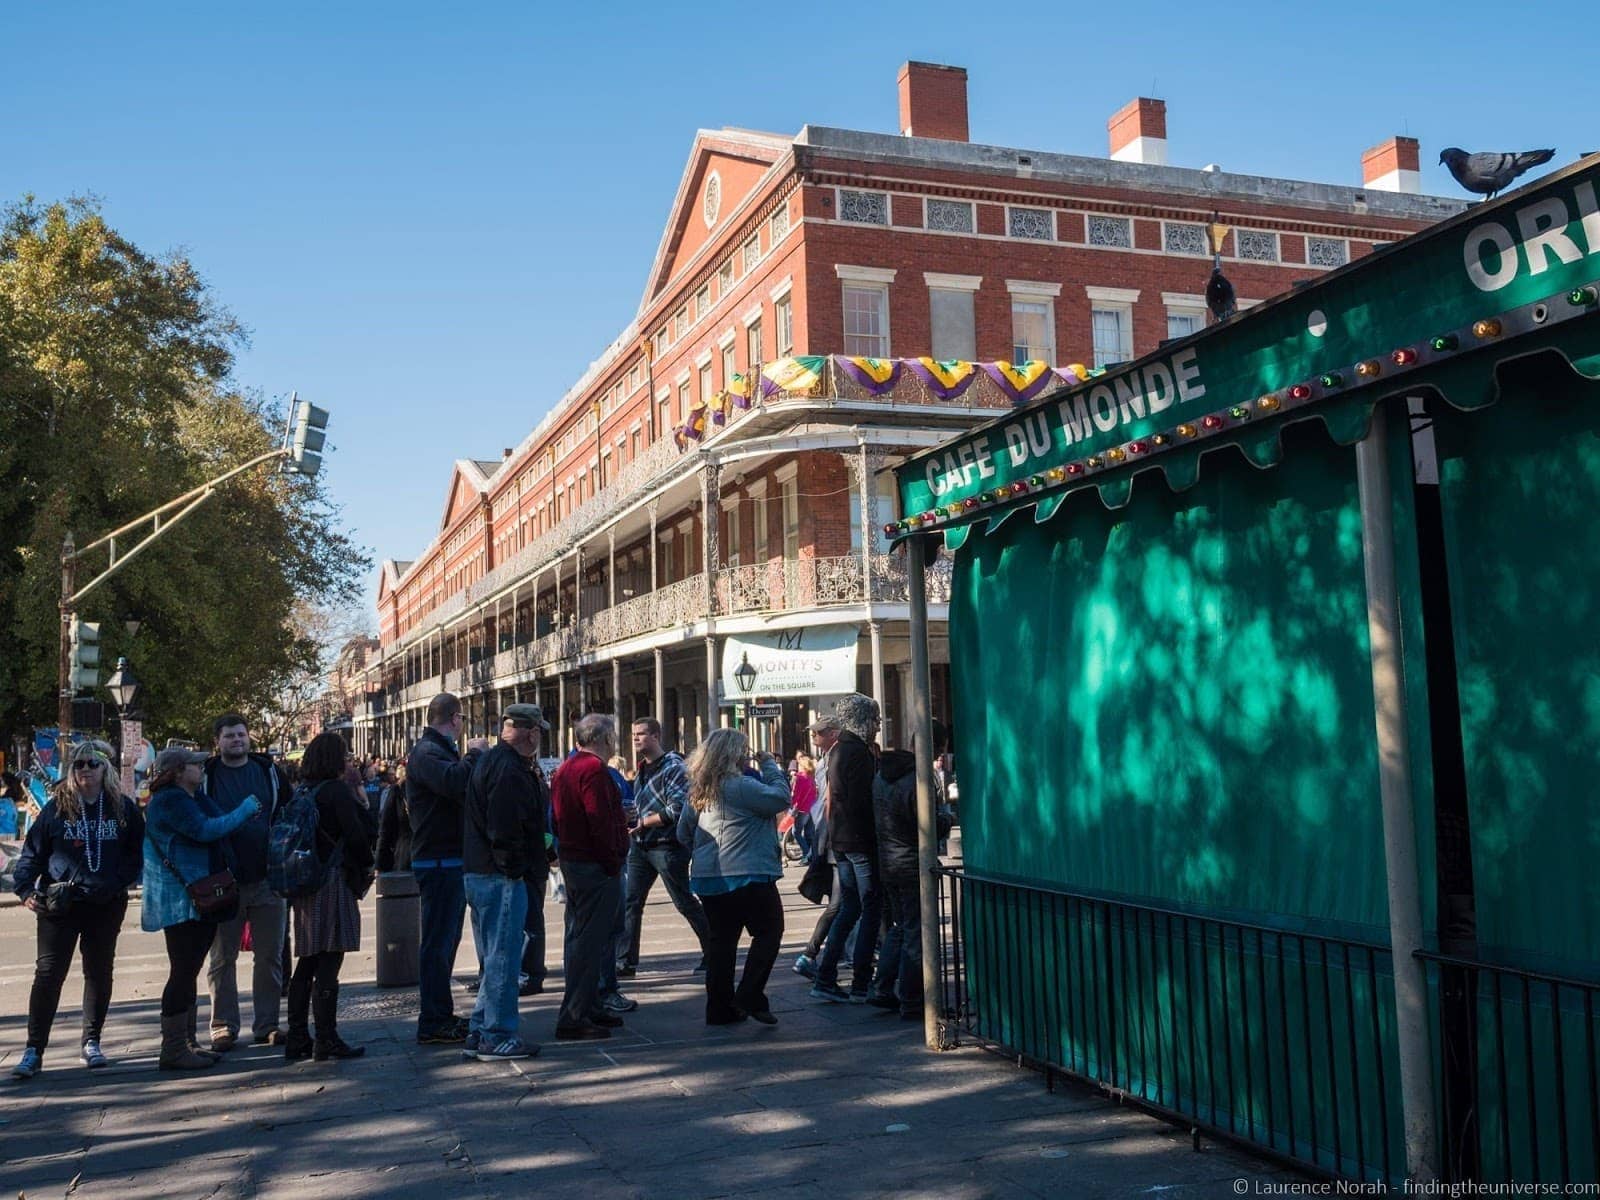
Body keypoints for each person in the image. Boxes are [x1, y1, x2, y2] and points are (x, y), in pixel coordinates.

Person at [10, 741, 145, 1079]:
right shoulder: (57, 809)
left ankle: (91, 1041)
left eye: (92, 764)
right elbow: (32, 854)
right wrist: (26, 889)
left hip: (105, 903)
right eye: (79, 764)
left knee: (99, 972)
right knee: (48, 974)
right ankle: (33, 1049)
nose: (85, 769)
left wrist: (116, 883)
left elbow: (134, 857)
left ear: (106, 769)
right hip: (60, 905)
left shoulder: (123, 809)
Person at [142, 747, 261, 1071]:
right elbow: (208, 829)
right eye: (196, 764)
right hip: (183, 900)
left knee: (189, 969)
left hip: (197, 896)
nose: (202, 767)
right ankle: (174, 1049)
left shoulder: (191, 796)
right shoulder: (170, 801)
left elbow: (213, 820)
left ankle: (188, 1042)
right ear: (179, 770)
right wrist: (247, 808)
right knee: (182, 972)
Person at [677, 729, 789, 1026]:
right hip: (747, 874)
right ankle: (750, 993)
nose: (746, 756)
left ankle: (719, 1008)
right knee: (769, 931)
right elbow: (780, 798)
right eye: (743, 750)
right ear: (732, 755)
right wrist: (769, 766)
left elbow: (682, 832)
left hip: (709, 878)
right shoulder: (740, 786)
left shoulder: (698, 790)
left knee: (722, 944)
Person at [460, 705, 549, 1062]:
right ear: (530, 733)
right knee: (503, 959)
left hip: (480, 871)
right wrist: (514, 869)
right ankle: (497, 1034)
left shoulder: (491, 761)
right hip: (500, 875)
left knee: (494, 956)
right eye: (539, 731)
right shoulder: (510, 769)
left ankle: (482, 1027)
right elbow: (505, 826)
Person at [203, 712, 294, 1052]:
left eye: (241, 734)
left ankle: (267, 1024)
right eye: (230, 736)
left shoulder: (267, 770)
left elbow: (288, 809)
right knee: (222, 957)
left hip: (268, 877)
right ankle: (223, 1026)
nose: (237, 740)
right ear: (218, 741)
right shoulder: (208, 775)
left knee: (270, 956)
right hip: (224, 880)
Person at [284, 732, 375, 1062]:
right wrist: (367, 864)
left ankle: (297, 1036)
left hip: (306, 883)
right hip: (332, 881)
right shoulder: (335, 791)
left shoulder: (304, 790)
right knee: (329, 960)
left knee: (307, 961)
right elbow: (356, 835)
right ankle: (326, 1037)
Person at [406, 692, 487, 1044]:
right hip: (438, 861)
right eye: (462, 720)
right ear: (455, 719)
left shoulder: (434, 750)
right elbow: (454, 782)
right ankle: (433, 1019)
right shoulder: (427, 752)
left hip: (448, 857)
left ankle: (440, 1013)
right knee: (438, 942)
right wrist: (475, 754)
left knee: (445, 940)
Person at [549, 714, 628, 1040]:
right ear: (604, 739)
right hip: (593, 865)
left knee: (584, 939)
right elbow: (598, 819)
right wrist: (612, 860)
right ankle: (575, 1014)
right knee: (589, 941)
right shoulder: (593, 770)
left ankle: (589, 1005)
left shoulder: (566, 768)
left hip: (575, 860)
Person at [868, 720, 950, 1019]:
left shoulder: (882, 776)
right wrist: (945, 818)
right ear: (938, 747)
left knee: (900, 928)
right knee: (916, 930)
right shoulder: (918, 779)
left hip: (888, 861)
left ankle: (883, 987)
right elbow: (928, 824)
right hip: (912, 861)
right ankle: (912, 998)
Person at [618, 717, 710, 979]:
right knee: (631, 902)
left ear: (656, 736)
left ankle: (713, 951)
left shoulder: (673, 766)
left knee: (684, 901)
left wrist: (643, 822)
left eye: (641, 734)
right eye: (633, 734)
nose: (635, 738)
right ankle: (625, 961)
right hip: (641, 844)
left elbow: (677, 808)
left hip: (667, 845)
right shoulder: (642, 768)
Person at [809, 694, 883, 1004]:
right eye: (875, 720)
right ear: (862, 720)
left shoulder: (840, 751)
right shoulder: (856, 752)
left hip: (842, 840)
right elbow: (862, 801)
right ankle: (861, 981)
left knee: (851, 906)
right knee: (870, 907)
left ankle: (826, 975)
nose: (878, 726)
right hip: (857, 842)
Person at [793, 715, 842, 980]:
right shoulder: (829, 762)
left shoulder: (829, 760)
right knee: (843, 904)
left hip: (833, 839)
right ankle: (814, 958)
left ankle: (813, 956)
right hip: (837, 840)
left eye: (818, 733)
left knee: (847, 904)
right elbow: (827, 803)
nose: (814, 737)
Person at [375, 766, 412, 873]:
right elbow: (385, 829)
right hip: (405, 855)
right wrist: (379, 862)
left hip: (422, 855)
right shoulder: (398, 790)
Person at [790, 754, 819, 863]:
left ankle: (807, 854)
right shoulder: (811, 777)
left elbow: (796, 795)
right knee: (809, 833)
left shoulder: (800, 777)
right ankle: (813, 856)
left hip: (802, 809)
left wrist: (793, 806)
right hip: (811, 808)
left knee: (796, 832)